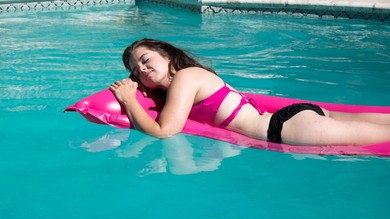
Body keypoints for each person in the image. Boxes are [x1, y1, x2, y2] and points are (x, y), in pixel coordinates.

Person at [110, 38, 390, 146]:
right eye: (136, 71)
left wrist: (128, 100)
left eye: (146, 60)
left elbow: (165, 131)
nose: (142, 70)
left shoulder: (184, 78)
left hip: (285, 129)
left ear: (167, 54)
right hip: (291, 117)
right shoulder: (192, 78)